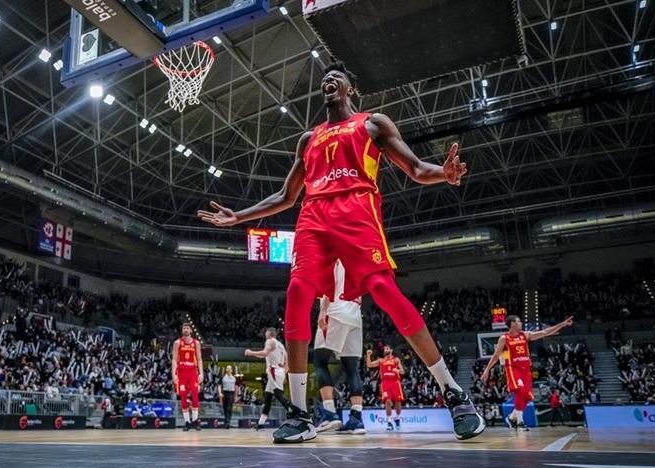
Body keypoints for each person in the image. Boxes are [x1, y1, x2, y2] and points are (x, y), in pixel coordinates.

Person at [198, 60, 482, 443]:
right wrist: (239, 218)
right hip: (314, 215)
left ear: (349, 88)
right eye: (325, 79)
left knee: (384, 291)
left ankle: (454, 392)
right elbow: (286, 196)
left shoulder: (372, 124)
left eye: (337, 77)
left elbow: (414, 168)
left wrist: (443, 173)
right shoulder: (308, 138)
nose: (328, 80)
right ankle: (300, 415)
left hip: (357, 209)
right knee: (298, 293)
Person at [480, 315, 574, 430]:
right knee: (519, 391)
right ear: (513, 324)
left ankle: (511, 417)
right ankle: (520, 422)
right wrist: (487, 369)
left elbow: (545, 332)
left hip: (526, 369)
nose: (521, 323)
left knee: (526, 397)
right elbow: (496, 355)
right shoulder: (504, 338)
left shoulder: (525, 335)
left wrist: (562, 324)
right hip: (513, 368)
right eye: (519, 321)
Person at [313, 261, 366, 434]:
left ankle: (330, 414)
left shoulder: (333, 255)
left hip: (335, 311)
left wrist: (323, 311)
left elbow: (328, 283)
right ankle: (356, 419)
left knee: (320, 361)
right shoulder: (358, 258)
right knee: (351, 368)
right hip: (355, 314)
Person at [245, 328, 292, 430]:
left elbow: (265, 353)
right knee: (268, 398)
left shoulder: (270, 341)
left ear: (269, 333)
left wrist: (251, 353)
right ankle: (261, 423)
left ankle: (293, 412)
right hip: (280, 371)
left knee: (278, 394)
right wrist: (284, 373)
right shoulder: (281, 346)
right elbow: (288, 362)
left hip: (274, 371)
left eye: (265, 332)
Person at [172, 322, 203, 431]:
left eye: (187, 328)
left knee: (195, 396)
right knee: (183, 397)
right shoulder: (177, 343)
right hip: (181, 372)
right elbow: (174, 359)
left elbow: (199, 359)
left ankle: (195, 420)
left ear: (191, 330)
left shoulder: (196, 343)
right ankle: (187, 422)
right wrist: (173, 374)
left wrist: (201, 373)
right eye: (184, 328)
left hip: (193, 372)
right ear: (182, 330)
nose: (186, 330)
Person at [366, 345, 405, 431]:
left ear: (391, 350)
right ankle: (389, 422)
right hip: (385, 383)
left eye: (387, 348)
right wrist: (368, 355)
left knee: (398, 402)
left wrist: (397, 370)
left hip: (395, 383)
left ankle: (397, 418)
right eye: (384, 349)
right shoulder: (381, 360)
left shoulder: (396, 360)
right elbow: (369, 365)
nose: (385, 350)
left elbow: (403, 371)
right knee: (387, 401)